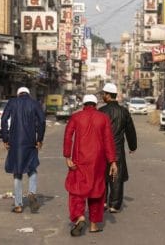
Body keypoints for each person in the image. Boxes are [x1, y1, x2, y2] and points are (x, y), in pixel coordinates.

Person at [63, 94, 118, 236]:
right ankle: (93, 225)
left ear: (83, 104)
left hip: (79, 160)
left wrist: (67, 156)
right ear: (95, 105)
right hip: (98, 162)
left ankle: (79, 216)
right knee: (97, 192)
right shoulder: (103, 118)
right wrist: (112, 161)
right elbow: (108, 141)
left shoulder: (76, 117)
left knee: (77, 190)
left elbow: (68, 135)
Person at [1, 86, 46, 213]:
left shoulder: (12, 102)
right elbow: (42, 121)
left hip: (15, 142)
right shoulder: (35, 103)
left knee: (17, 171)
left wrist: (5, 138)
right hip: (30, 142)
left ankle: (18, 205)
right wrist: (39, 139)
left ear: (18, 94)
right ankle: (32, 192)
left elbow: (4, 119)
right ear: (28, 93)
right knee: (32, 167)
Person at [99, 82, 137, 213]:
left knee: (102, 175)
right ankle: (114, 205)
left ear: (108, 96)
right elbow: (130, 131)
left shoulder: (101, 111)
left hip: (102, 148)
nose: (103, 96)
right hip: (117, 149)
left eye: (104, 94)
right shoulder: (123, 112)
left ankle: (102, 201)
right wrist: (133, 146)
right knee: (117, 176)